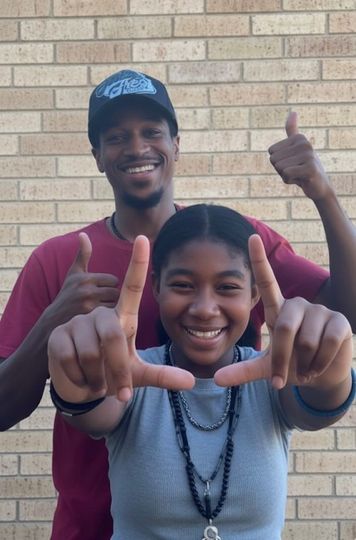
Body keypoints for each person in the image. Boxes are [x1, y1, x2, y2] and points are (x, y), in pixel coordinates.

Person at [0, 69, 355, 539]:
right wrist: (51, 326)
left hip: (225, 504)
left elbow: (342, 320)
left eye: (151, 132)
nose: (136, 147)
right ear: (97, 156)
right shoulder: (59, 261)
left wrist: (324, 195)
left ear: (176, 144)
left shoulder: (235, 242)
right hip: (91, 524)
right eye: (117, 137)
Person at [48, 204, 355, 540]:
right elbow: (91, 410)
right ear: (156, 288)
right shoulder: (130, 374)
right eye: (183, 285)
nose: (205, 309)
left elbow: (318, 403)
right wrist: (79, 383)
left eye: (227, 287)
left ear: (254, 294)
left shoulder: (274, 376)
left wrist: (328, 374)